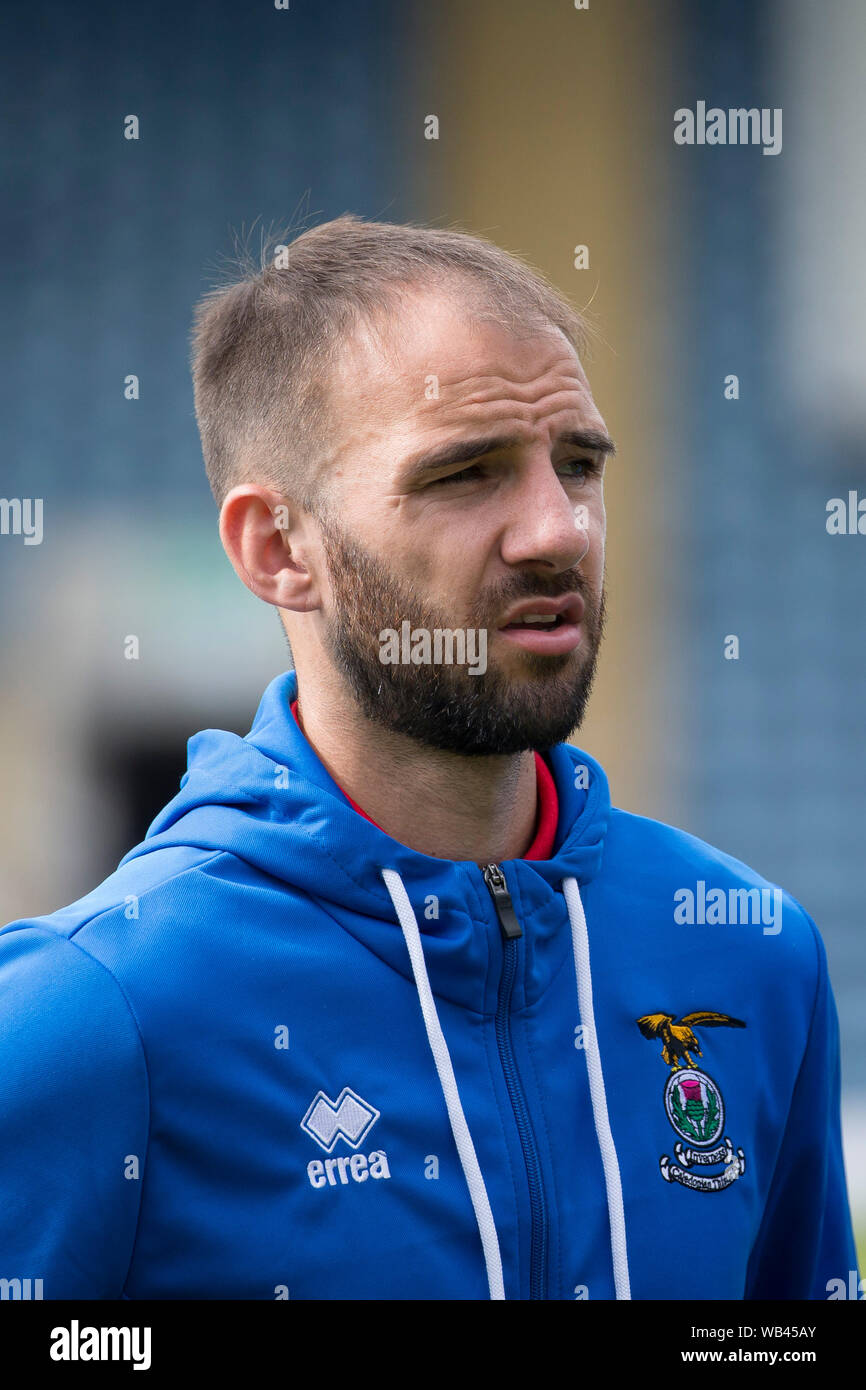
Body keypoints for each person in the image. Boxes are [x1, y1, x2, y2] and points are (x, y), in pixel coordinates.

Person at [0, 216, 857, 1300]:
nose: (557, 530)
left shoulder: (749, 959)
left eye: (578, 464)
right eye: (466, 475)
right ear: (277, 548)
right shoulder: (89, 1016)